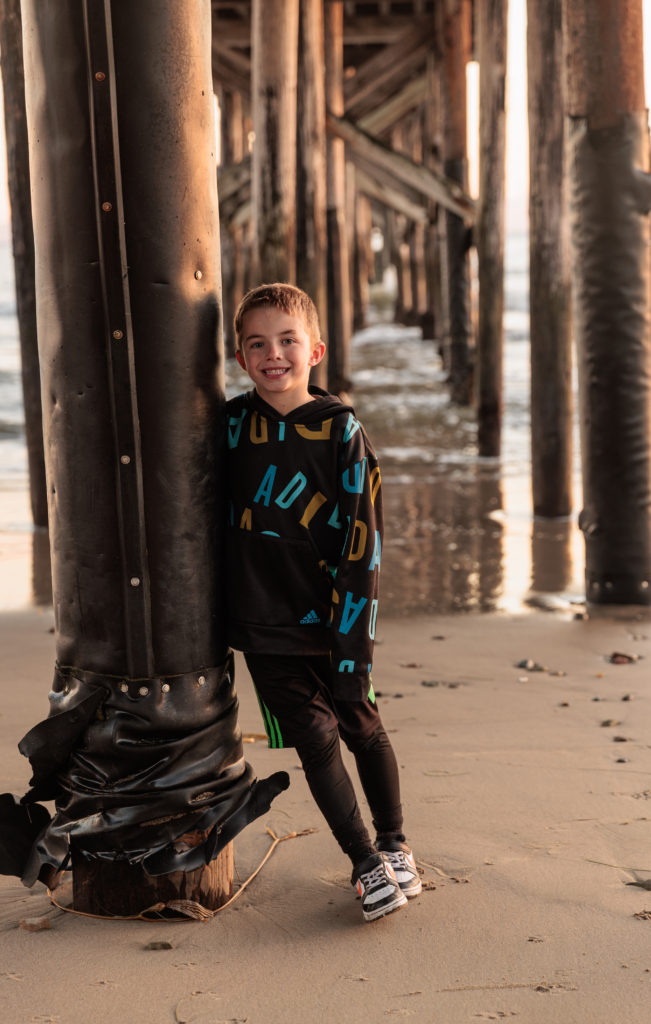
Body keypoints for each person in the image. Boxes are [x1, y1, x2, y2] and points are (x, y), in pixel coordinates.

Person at [225, 282, 421, 922]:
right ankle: (365, 864)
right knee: (313, 735)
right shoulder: (229, 427)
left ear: (316, 350)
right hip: (263, 621)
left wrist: (353, 638)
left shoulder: (341, 433)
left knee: (359, 722)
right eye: (257, 344)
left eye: (287, 341)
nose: (272, 354)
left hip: (336, 618)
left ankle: (395, 845)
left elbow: (365, 543)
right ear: (240, 355)